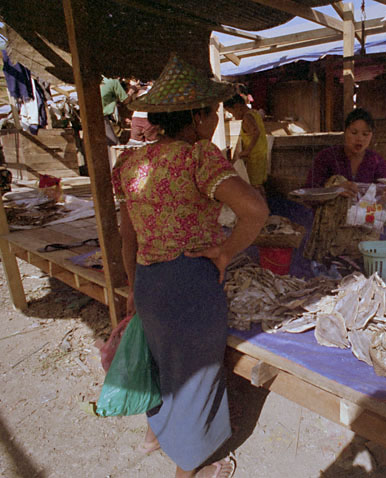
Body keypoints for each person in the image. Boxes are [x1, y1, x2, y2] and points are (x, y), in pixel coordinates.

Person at [111, 54, 269, 478]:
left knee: (162, 364)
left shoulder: (130, 163)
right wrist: (222, 253)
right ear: (198, 117)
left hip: (149, 281)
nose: (215, 121)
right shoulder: (199, 157)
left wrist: (132, 284)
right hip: (190, 288)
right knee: (197, 382)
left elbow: (129, 235)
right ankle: (192, 467)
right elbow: (255, 210)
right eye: (214, 113)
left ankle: (153, 437)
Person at [303, 108, 386, 263]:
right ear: (345, 132)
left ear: (371, 136)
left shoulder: (377, 162)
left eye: (365, 134)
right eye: (354, 133)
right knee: (337, 180)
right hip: (330, 232)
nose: (359, 139)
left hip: (362, 230)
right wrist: (336, 189)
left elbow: (381, 204)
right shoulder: (326, 157)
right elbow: (309, 194)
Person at [223, 94, 268, 196]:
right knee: (259, 185)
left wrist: (247, 151)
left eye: (232, 112)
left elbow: (256, 132)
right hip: (260, 153)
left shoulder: (247, 117)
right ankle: (265, 208)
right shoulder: (254, 113)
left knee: (254, 186)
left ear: (238, 106)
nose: (233, 116)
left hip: (255, 156)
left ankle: (260, 209)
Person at [101, 77, 138, 145]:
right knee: (114, 144)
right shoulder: (113, 81)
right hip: (103, 118)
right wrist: (132, 90)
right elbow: (125, 100)